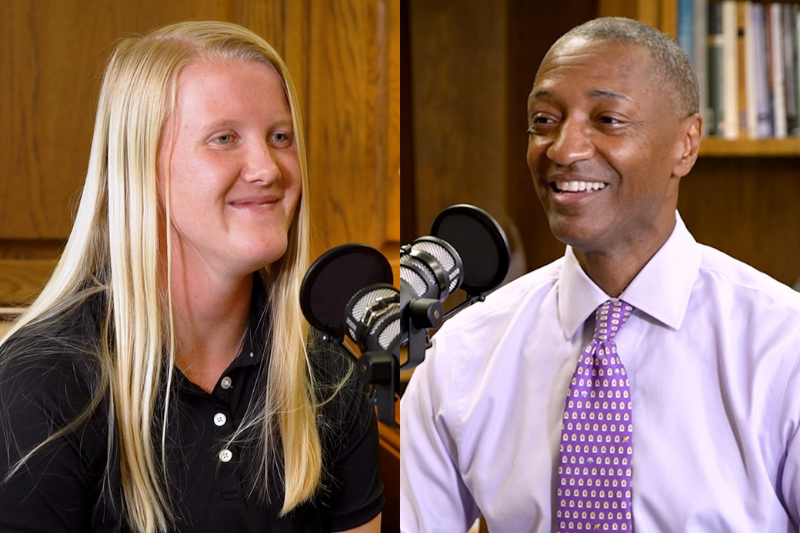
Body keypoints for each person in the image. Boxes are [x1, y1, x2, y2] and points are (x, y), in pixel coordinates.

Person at [400, 16, 800, 533]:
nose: (564, 150)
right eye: (544, 120)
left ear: (687, 143)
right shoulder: (462, 354)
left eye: (608, 119)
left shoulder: (783, 345)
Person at [0, 21, 383, 533]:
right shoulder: (42, 387)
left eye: (280, 136)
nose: (267, 168)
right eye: (224, 138)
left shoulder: (328, 378)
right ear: (142, 168)